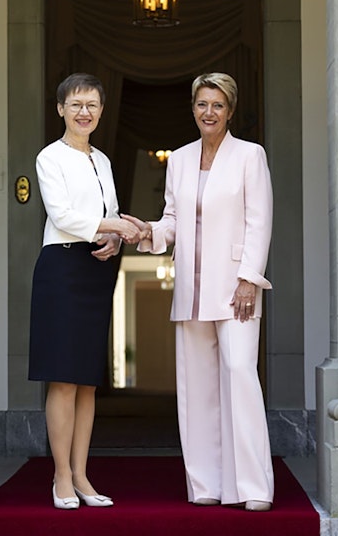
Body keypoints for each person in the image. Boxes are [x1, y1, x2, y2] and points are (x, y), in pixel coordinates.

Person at [122, 72, 274, 512]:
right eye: (202, 104)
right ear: (193, 108)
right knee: (197, 390)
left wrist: (249, 277)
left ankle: (253, 488)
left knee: (241, 376)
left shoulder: (250, 155)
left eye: (218, 105)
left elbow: (259, 220)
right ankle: (205, 484)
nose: (209, 112)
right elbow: (171, 220)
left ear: (230, 110)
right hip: (189, 288)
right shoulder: (181, 160)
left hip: (235, 289)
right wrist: (146, 231)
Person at [28, 72, 141, 510]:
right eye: (76, 104)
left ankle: (81, 475)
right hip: (61, 268)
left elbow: (106, 213)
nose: (84, 112)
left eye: (92, 104)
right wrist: (117, 226)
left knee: (88, 381)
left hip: (96, 269)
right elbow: (64, 214)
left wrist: (113, 238)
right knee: (64, 377)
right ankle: (59, 477)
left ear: (101, 110)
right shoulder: (49, 158)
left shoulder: (106, 161)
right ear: (61, 109)